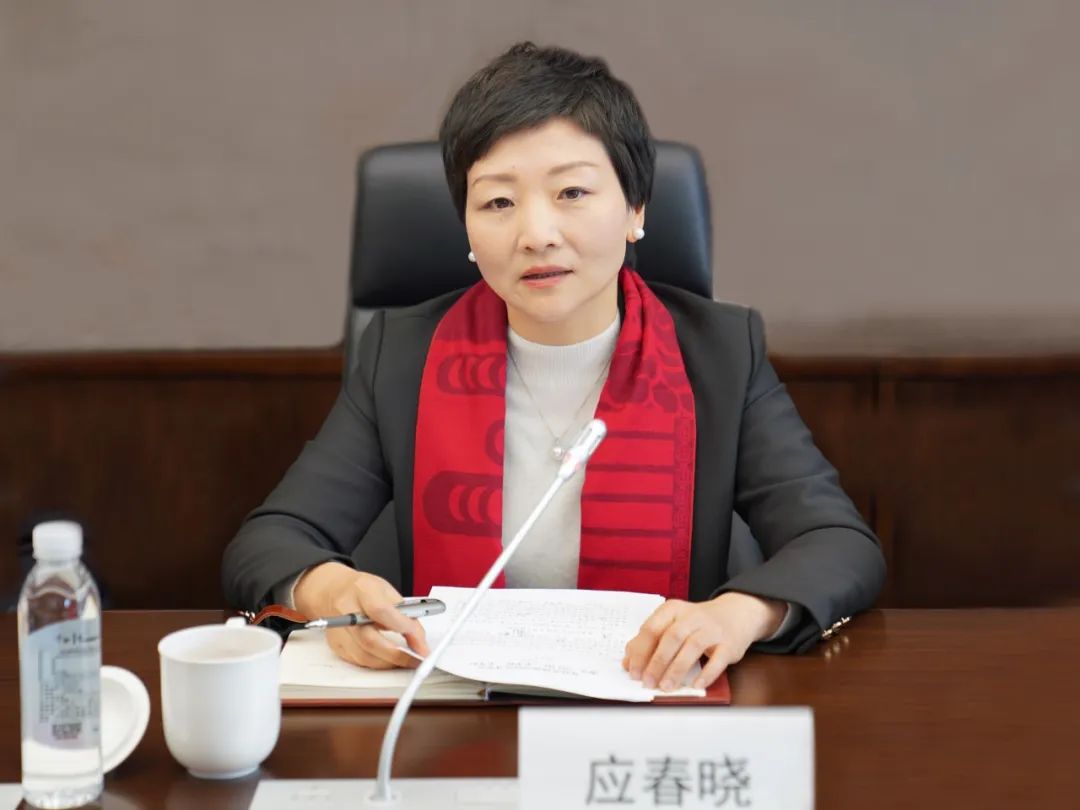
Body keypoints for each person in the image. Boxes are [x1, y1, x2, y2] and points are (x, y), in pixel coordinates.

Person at [222, 42, 885, 692]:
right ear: (466, 228)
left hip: (649, 708)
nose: (536, 234)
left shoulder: (719, 354)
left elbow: (837, 541)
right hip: (449, 711)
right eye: (498, 203)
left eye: (571, 192)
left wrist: (739, 614)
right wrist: (335, 592)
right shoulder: (403, 354)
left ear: (636, 209)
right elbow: (273, 539)